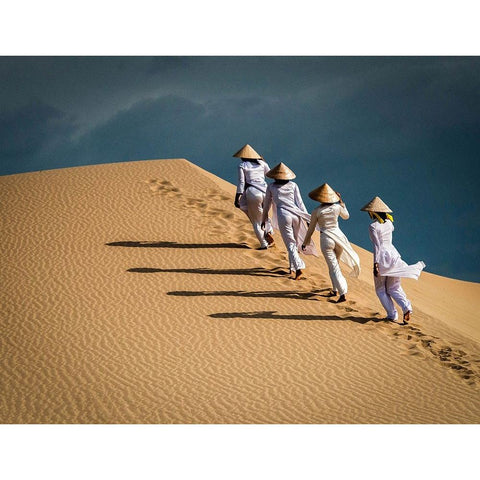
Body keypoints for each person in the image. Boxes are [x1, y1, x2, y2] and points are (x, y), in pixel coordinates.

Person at [361, 196, 425, 324]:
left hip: (382, 258)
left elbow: (377, 246)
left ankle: (392, 315)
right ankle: (407, 307)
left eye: (370, 211)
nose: (368, 213)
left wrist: (376, 264)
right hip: (394, 256)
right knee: (394, 287)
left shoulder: (373, 226)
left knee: (380, 289)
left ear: (373, 212)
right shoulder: (390, 223)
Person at [302, 183, 360, 303]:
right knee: (335, 265)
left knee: (333, 267)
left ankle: (342, 292)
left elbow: (311, 228)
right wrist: (341, 202)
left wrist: (305, 242)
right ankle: (335, 290)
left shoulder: (316, 211)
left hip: (326, 239)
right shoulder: (337, 207)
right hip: (339, 239)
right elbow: (346, 216)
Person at [260, 162, 317, 280]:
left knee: (290, 243)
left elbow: (267, 204)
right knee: (294, 243)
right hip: (297, 215)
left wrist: (264, 218)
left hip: (284, 215)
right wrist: (307, 218)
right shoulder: (293, 185)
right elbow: (300, 203)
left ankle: (298, 268)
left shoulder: (271, 186)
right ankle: (291, 268)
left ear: (275, 176)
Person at [233, 144, 274, 250]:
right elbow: (271, 175)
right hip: (266, 191)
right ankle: (268, 231)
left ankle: (263, 243)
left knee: (255, 220)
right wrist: (263, 161)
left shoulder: (242, 165)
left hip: (253, 192)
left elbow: (241, 182)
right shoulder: (262, 163)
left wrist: (237, 197)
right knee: (264, 215)